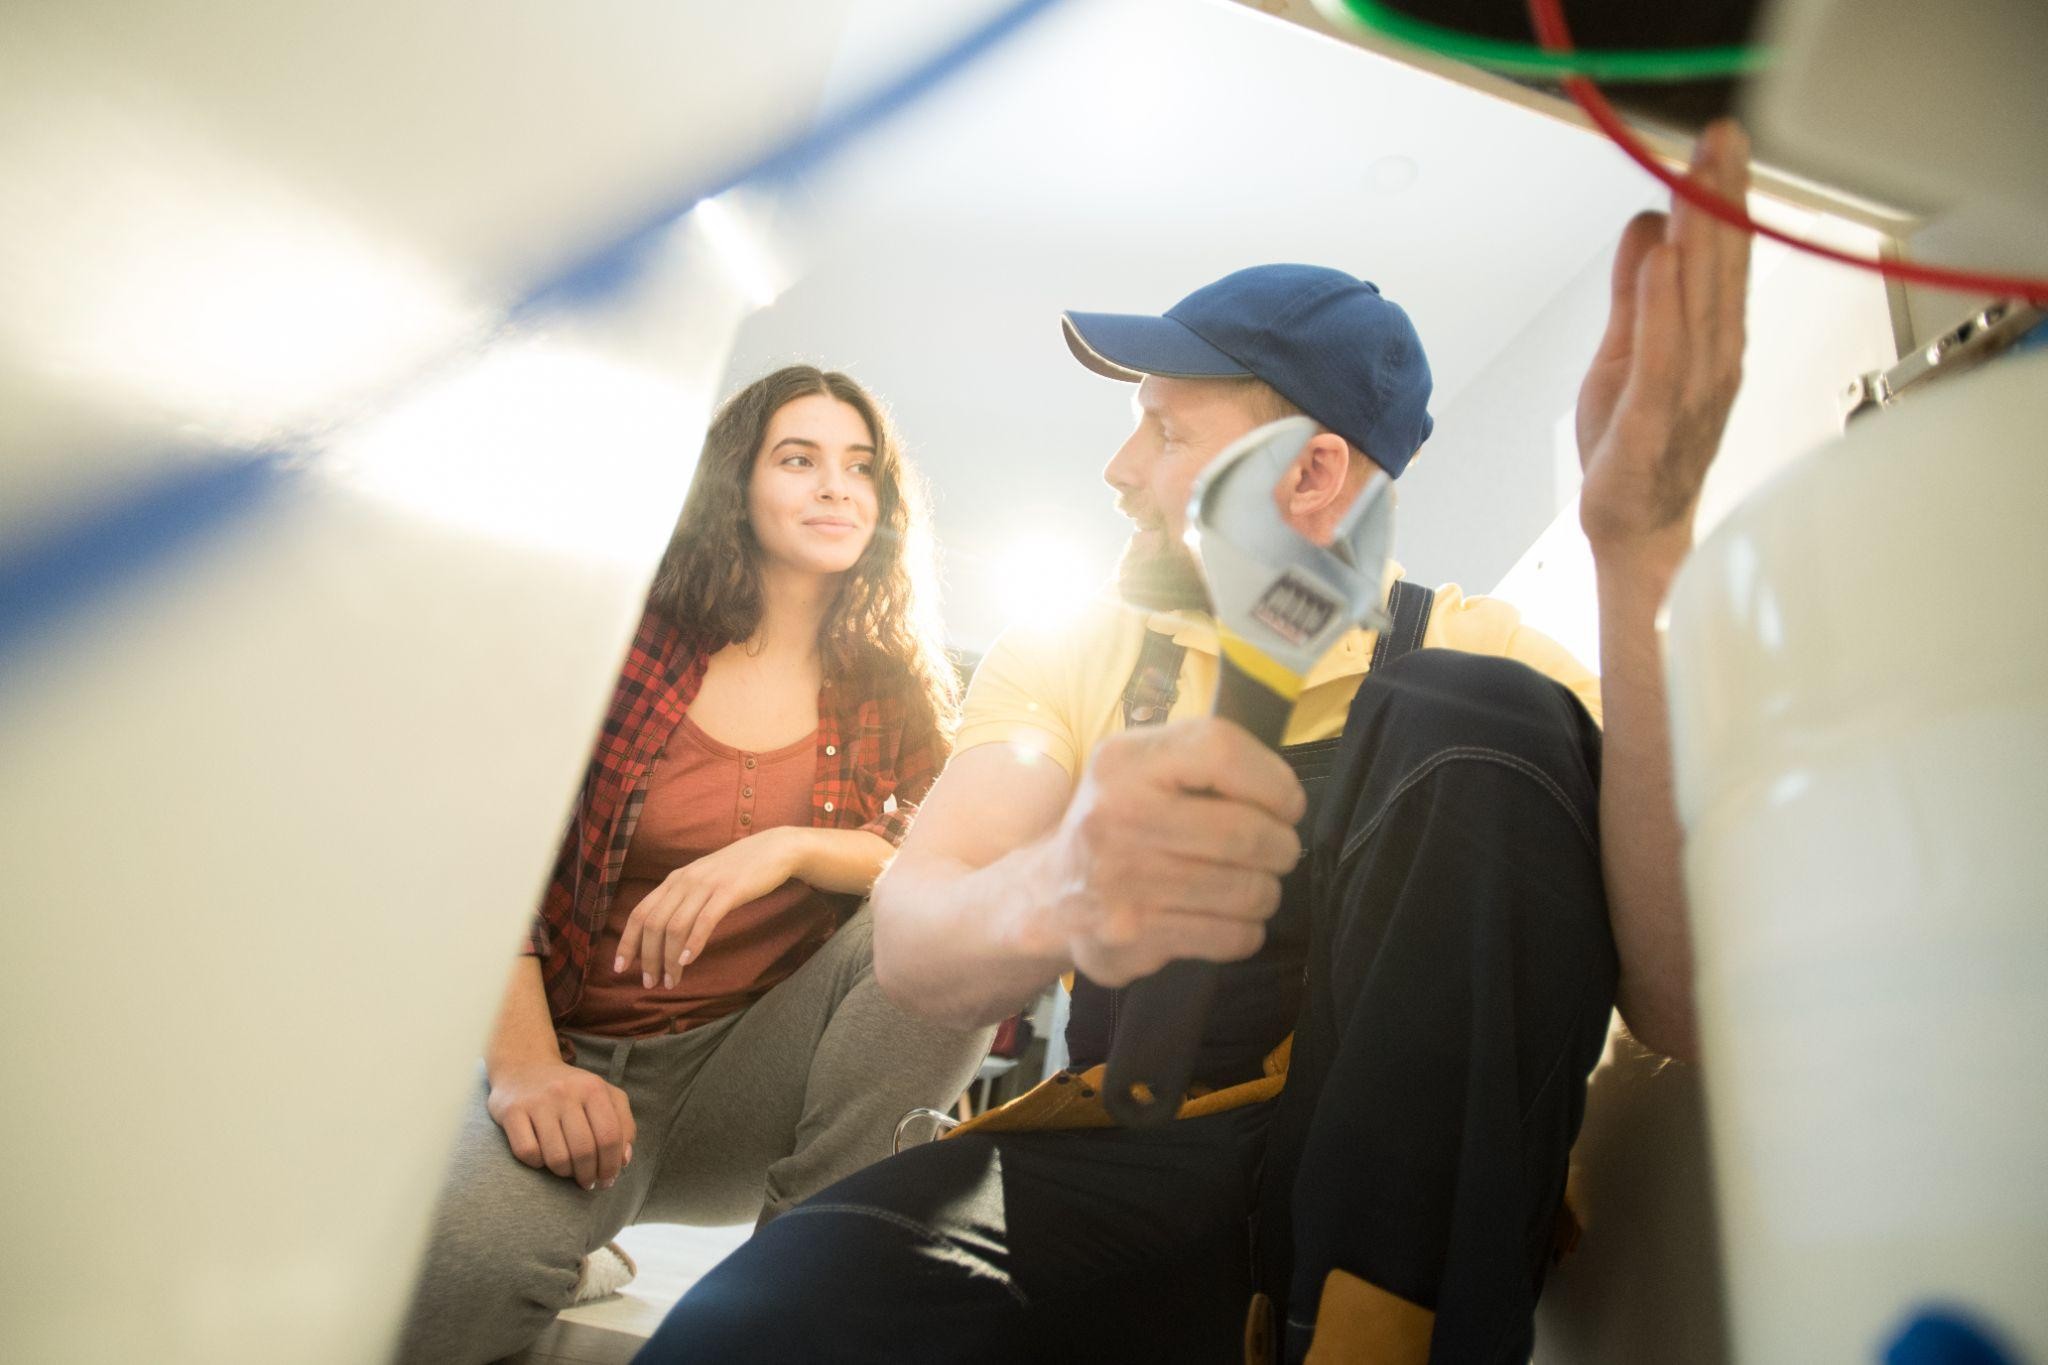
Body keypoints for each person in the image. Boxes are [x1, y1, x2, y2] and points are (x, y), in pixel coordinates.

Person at [641, 123, 1753, 1364]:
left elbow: (1677, 999)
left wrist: (1639, 547)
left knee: (1474, 714)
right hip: (1134, 1165)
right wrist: (1057, 889)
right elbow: (912, 939)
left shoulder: (1485, 657)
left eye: (1165, 432)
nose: (1120, 469)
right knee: (758, 1328)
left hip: (1401, 1219)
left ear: (1311, 474)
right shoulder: (1076, 651)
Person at [395, 365, 994, 1364]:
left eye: (860, 468)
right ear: (735, 486)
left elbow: (931, 855)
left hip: (750, 1079)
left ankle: (810, 1289)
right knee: (456, 1277)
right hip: (574, 1079)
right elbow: (492, 857)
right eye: (797, 460)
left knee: (953, 922)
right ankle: (571, 1246)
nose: (836, 488)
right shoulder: (620, 640)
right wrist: (527, 1068)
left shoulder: (888, 680)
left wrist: (785, 846)